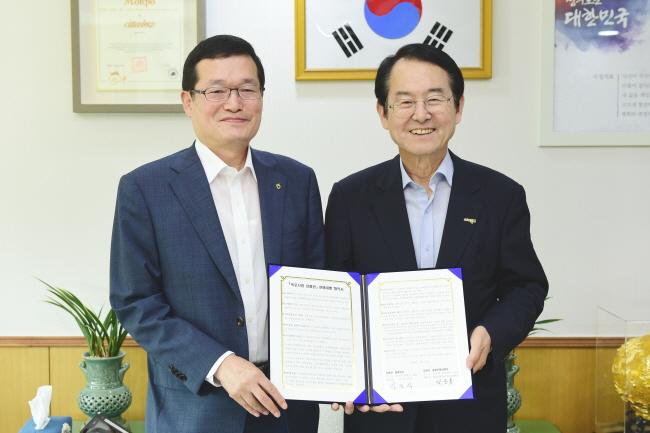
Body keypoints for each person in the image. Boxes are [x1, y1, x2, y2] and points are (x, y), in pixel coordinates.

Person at [325, 43, 548, 433]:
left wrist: (491, 333)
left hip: (470, 406)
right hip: (380, 412)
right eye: (405, 101)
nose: (421, 114)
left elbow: (526, 287)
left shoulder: (500, 196)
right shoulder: (350, 197)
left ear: (458, 108)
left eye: (434, 99)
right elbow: (334, 295)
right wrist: (345, 370)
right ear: (383, 113)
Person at [110, 35, 324, 433]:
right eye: (216, 91)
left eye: (247, 89)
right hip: (195, 409)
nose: (234, 103)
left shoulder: (297, 181)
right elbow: (136, 302)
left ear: (261, 98)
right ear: (188, 101)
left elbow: (318, 285)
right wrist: (221, 364)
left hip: (286, 406)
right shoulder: (146, 189)